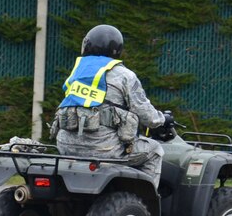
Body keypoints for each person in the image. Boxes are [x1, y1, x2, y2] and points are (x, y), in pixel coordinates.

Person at [52, 24, 173, 187]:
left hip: (66, 146)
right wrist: (162, 119)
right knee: (155, 150)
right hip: (104, 149)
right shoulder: (125, 75)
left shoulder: (77, 73)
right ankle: (143, 204)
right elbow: (147, 115)